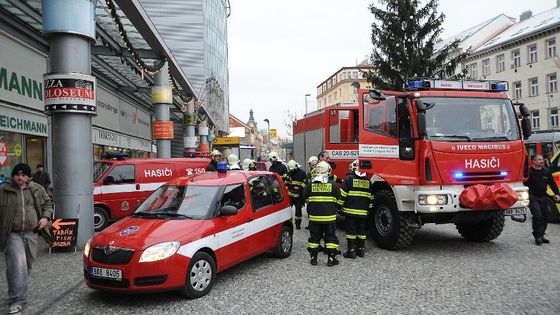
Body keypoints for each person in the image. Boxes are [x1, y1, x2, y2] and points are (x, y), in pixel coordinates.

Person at [0, 163, 53, 315]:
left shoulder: (36, 188)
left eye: (23, 175)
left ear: (29, 176)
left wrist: (45, 218)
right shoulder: (4, 190)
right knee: (18, 266)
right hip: (12, 233)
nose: (20, 178)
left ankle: (15, 291)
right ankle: (17, 301)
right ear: (13, 176)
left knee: (26, 265)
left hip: (32, 232)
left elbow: (48, 203)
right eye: (17, 174)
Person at [303, 161, 340, 266]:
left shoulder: (310, 184)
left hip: (314, 218)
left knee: (314, 238)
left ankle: (314, 259)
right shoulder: (333, 184)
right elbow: (339, 199)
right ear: (328, 171)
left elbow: (304, 196)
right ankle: (331, 259)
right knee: (330, 238)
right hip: (329, 218)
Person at [339, 160, 373, 258]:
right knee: (362, 231)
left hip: (350, 211)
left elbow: (343, 195)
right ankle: (361, 250)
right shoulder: (368, 181)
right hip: (363, 212)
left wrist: (338, 206)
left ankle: (351, 251)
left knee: (351, 231)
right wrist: (369, 210)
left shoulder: (349, 179)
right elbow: (371, 197)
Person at [524, 154, 560, 245]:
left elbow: (552, 184)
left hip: (543, 197)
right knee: (537, 216)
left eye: (542, 159)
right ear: (533, 161)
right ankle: (537, 236)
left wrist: (557, 194)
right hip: (533, 198)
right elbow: (523, 185)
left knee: (545, 217)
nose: (542, 161)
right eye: (539, 159)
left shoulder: (546, 172)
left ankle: (542, 235)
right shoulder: (528, 172)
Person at [286, 160, 307, 230]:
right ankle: (287, 222)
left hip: (299, 195)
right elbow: (287, 182)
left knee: (298, 210)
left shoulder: (302, 173)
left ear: (296, 166)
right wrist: (287, 186)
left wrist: (300, 187)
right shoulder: (289, 173)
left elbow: (305, 183)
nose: (292, 170)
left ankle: (298, 223)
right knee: (287, 209)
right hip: (290, 195)